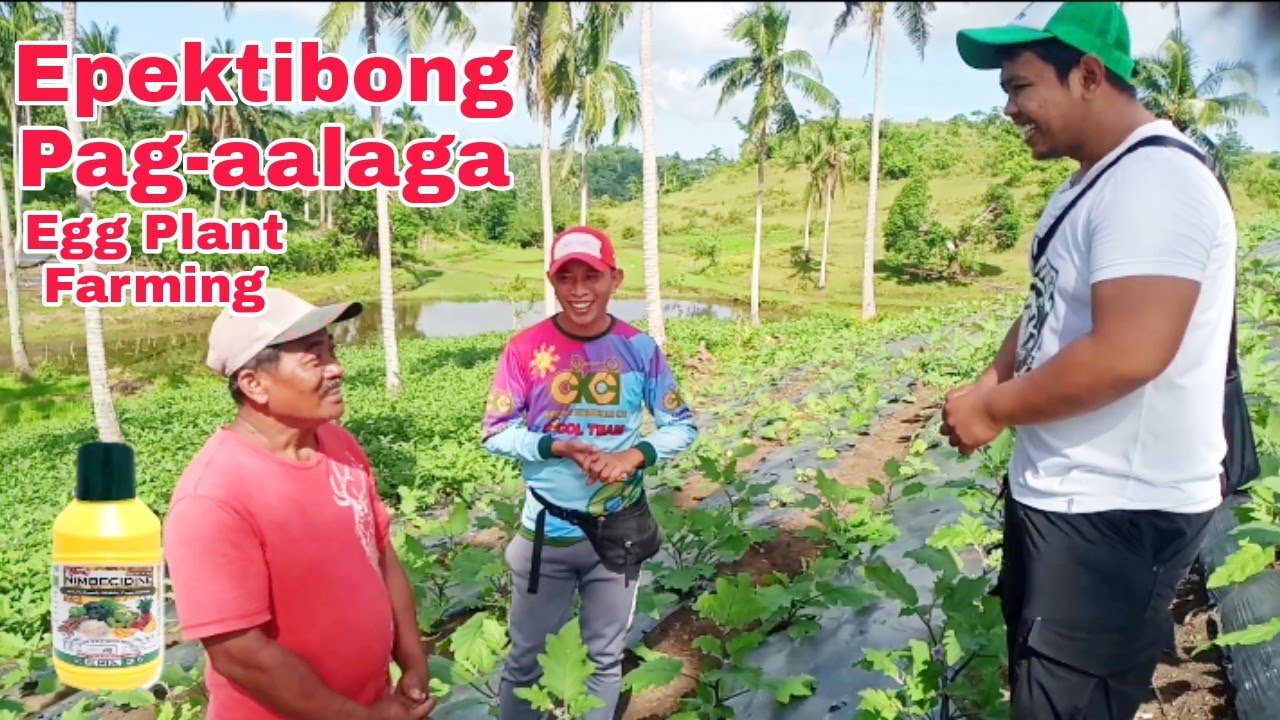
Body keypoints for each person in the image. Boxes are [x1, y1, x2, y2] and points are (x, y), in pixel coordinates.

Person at [940, 3, 1237, 718]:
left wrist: (995, 408)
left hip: (1114, 515)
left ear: (1089, 76)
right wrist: (988, 382)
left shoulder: (1154, 182)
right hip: (1069, 499)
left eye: (1020, 86)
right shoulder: (1090, 183)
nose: (1009, 109)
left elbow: (1129, 351)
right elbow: (1047, 305)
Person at [163, 288, 436, 720]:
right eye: (314, 358)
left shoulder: (338, 444)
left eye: (332, 350)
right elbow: (241, 655)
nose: (336, 368)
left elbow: (381, 555)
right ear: (254, 384)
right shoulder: (212, 498)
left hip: (373, 704)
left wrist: (413, 660)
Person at [481, 226, 698, 719]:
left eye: (591, 276)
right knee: (526, 661)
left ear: (614, 279)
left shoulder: (639, 349)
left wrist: (633, 456)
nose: (579, 290)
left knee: (605, 658)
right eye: (566, 277)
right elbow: (496, 433)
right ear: (551, 281)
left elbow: (681, 426)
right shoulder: (524, 349)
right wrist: (553, 446)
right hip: (546, 535)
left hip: (618, 533)